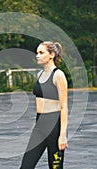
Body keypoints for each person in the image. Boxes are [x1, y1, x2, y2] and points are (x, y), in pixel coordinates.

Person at [20, 41, 68, 169]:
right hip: (40, 124)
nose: (37, 56)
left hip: (54, 126)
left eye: (41, 53)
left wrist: (62, 135)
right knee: (26, 166)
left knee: (55, 167)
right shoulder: (39, 74)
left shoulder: (58, 75)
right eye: (37, 53)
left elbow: (64, 106)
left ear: (51, 55)